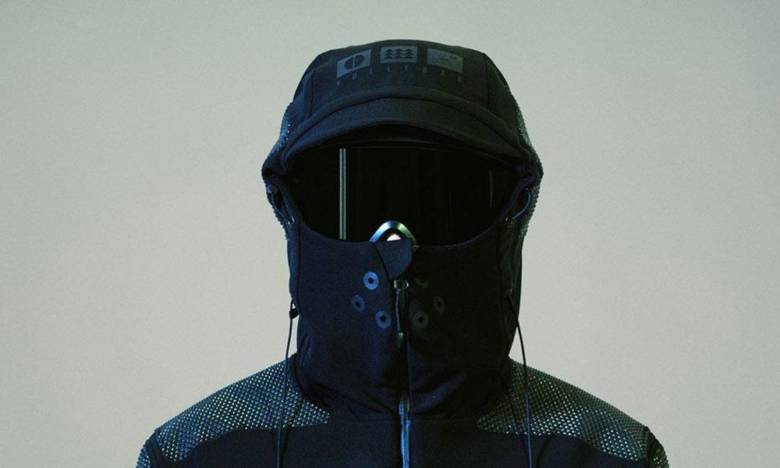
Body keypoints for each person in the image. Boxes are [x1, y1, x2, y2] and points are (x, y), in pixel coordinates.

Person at [136, 38, 669, 468]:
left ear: (511, 211)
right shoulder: (195, 454)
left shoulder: (608, 454)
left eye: (440, 197)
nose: (397, 242)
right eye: (358, 198)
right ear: (291, 210)